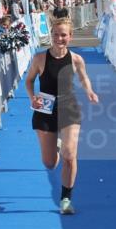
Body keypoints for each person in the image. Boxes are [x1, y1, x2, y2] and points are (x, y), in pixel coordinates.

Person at [25, 13, 99, 215]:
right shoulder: (40, 58)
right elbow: (29, 81)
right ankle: (56, 148)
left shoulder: (76, 59)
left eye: (63, 35)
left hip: (69, 108)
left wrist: (90, 91)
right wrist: (32, 97)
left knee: (70, 155)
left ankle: (66, 199)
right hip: (45, 109)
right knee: (49, 163)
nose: (59, 39)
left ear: (70, 36)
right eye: (56, 35)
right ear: (51, 35)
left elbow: (84, 79)